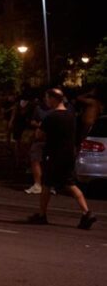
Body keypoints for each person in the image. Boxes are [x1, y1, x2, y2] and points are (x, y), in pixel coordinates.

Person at [27, 88, 96, 230]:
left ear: (53, 98)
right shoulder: (71, 116)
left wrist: (39, 129)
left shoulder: (51, 117)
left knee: (49, 184)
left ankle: (43, 215)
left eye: (47, 98)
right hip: (68, 154)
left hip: (53, 155)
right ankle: (85, 212)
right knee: (67, 182)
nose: (46, 100)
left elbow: (40, 135)